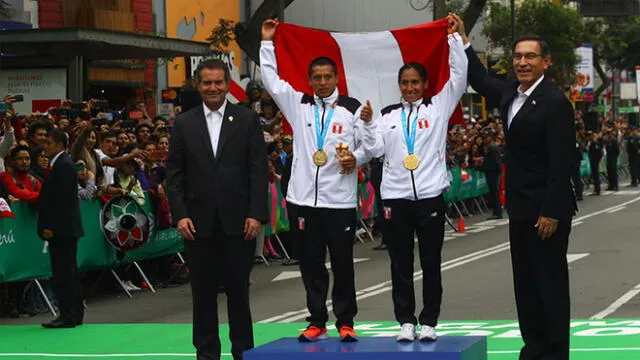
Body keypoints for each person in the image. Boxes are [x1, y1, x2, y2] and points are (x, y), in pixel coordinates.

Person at [454, 13, 577, 360]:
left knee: (549, 286)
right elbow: (478, 78)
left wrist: (551, 211)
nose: (522, 62)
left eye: (530, 56)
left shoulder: (554, 103)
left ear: (545, 62)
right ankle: (533, 349)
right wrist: (464, 40)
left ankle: (554, 353)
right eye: (518, 57)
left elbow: (562, 162)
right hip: (520, 208)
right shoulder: (511, 93)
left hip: (546, 212)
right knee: (525, 285)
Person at [260, 19, 376, 342]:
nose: (322, 82)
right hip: (302, 202)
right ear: (310, 80)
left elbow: (371, 145)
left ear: (337, 78)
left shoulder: (353, 109)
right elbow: (271, 80)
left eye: (328, 76)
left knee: (342, 264)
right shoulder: (299, 105)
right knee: (311, 264)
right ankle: (316, 320)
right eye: (317, 77)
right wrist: (267, 42)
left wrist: (358, 158)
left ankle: (345, 321)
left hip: (338, 202)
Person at [367, 17, 468, 342]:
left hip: (429, 198)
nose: (409, 88)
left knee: (431, 262)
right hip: (396, 200)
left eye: (415, 83)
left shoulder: (438, 107)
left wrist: (454, 39)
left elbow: (459, 76)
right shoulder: (387, 116)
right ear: (400, 85)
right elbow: (375, 149)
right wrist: (368, 126)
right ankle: (405, 321)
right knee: (400, 264)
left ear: (424, 85)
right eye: (405, 83)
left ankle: (429, 321)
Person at [166, 58, 268, 360]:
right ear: (198, 85)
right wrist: (180, 214)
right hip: (197, 225)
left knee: (239, 294)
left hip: (239, 223)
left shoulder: (247, 120)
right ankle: (206, 354)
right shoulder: (184, 123)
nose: (213, 88)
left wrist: (256, 213)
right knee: (203, 296)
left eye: (218, 82)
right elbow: (175, 175)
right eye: (207, 83)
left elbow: (257, 171)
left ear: (226, 85)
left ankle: (243, 352)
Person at [38, 128, 85, 328]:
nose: (44, 147)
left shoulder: (63, 165)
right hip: (66, 227)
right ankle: (73, 314)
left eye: (48, 143)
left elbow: (61, 201)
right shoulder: (60, 164)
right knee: (68, 271)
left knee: (64, 273)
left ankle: (68, 315)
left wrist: (50, 226)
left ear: (58, 144)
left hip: (62, 228)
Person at [587, 131, 603, 196]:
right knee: (594, 175)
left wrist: (597, 160)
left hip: (595, 160)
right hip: (593, 160)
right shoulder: (590, 143)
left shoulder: (595, 143)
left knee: (596, 175)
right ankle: (596, 189)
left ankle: (597, 189)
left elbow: (599, 152)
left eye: (589, 135)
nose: (588, 137)